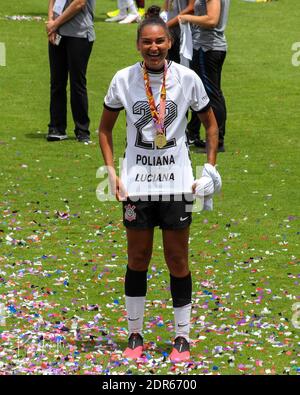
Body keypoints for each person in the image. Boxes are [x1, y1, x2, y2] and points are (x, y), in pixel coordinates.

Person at [98, 8, 221, 362]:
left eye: (160, 41)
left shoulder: (188, 78)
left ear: (170, 42)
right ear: (138, 45)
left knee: (177, 259)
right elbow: (104, 130)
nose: (154, 47)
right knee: (137, 258)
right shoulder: (123, 79)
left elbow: (210, 126)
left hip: (177, 184)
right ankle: (135, 334)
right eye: (147, 41)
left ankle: (181, 338)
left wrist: (209, 170)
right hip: (136, 185)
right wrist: (111, 172)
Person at [179, 0, 230, 151]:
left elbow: (212, 20)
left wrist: (187, 18)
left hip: (207, 47)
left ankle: (217, 141)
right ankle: (195, 133)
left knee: (212, 95)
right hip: (210, 47)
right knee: (211, 93)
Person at [46, 0, 96, 143]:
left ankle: (82, 130)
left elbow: (79, 3)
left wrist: (54, 24)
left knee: (77, 83)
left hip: (79, 35)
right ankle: (56, 127)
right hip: (57, 32)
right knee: (57, 82)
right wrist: (51, 21)